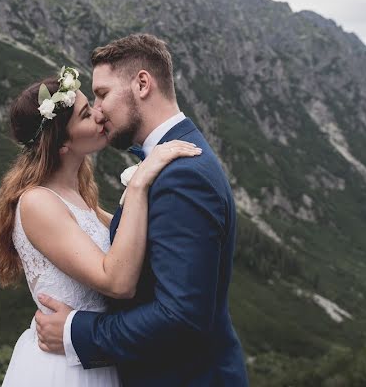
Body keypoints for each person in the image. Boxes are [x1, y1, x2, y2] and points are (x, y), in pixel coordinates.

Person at [34, 34, 249, 387]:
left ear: (143, 84)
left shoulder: (182, 175)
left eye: (102, 94)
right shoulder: (170, 161)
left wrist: (76, 332)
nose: (98, 110)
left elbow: (180, 316)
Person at [0, 65, 201, 387]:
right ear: (62, 144)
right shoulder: (37, 203)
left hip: (92, 356)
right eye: (86, 114)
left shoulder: (77, 196)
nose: (100, 114)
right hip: (64, 372)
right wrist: (140, 184)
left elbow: (134, 242)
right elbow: (116, 281)